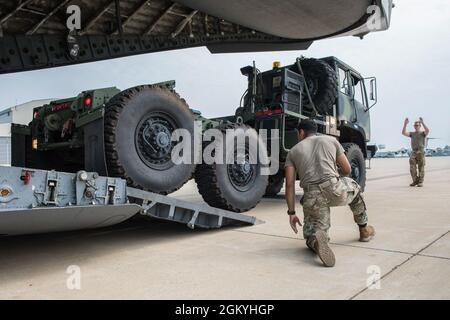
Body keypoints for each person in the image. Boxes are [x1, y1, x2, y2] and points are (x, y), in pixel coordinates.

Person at [284, 119, 375, 267]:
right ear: (315, 130)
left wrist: (291, 213)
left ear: (301, 132)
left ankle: (317, 241)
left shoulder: (293, 152)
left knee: (311, 234)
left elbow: (289, 185)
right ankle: (364, 229)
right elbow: (347, 170)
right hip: (335, 190)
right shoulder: (331, 140)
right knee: (355, 189)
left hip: (312, 197)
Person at [402, 117, 429, 187]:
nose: (416, 126)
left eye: (417, 125)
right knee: (412, 167)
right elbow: (403, 133)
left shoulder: (423, 133)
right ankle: (415, 180)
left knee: (421, 167)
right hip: (414, 152)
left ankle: (420, 182)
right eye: (415, 125)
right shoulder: (412, 134)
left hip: (421, 152)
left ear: (420, 126)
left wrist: (422, 122)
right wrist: (405, 124)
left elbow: (427, 130)